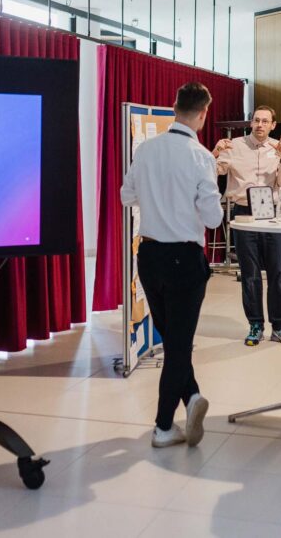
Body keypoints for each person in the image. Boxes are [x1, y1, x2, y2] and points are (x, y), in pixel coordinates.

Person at [120, 82, 222, 447]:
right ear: (202, 114)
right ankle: (164, 426)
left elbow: (126, 195)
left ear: (174, 106)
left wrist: (157, 198)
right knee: (180, 346)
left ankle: (192, 396)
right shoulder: (201, 157)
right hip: (184, 259)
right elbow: (212, 219)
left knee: (174, 340)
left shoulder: (146, 149)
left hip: (148, 257)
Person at [213, 106, 281, 347]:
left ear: (273, 125)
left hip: (271, 214)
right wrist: (216, 152)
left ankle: (280, 327)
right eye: (256, 120)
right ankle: (255, 324)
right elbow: (214, 169)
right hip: (244, 213)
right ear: (251, 123)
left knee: (277, 273)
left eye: (265, 121)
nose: (260, 124)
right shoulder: (234, 145)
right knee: (249, 274)